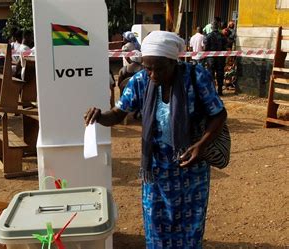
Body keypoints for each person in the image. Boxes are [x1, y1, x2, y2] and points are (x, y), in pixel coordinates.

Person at [84, 31, 227, 249]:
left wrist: (201, 145)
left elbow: (218, 114)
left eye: (158, 68)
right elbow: (118, 113)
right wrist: (100, 117)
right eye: (147, 67)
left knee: (190, 229)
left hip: (191, 170)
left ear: (173, 62)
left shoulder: (196, 77)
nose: (151, 74)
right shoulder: (140, 81)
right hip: (156, 170)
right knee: (156, 227)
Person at [204, 21, 227, 96]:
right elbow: (225, 47)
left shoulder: (208, 36)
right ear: (218, 27)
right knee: (220, 74)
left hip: (211, 59)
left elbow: (205, 48)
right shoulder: (222, 36)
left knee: (211, 75)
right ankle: (220, 91)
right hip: (220, 59)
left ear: (211, 27)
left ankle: (212, 91)